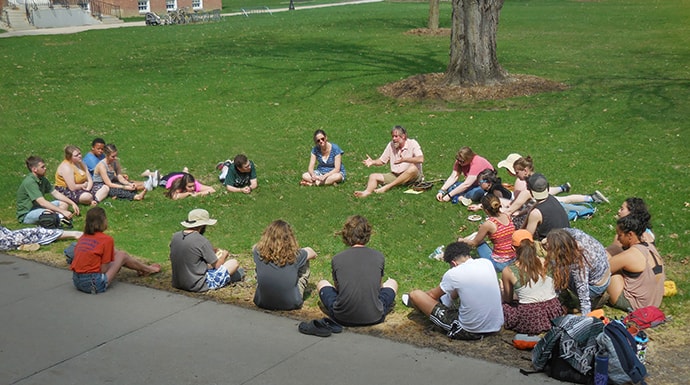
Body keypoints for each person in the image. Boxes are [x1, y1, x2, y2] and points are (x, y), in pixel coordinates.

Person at [405, 241, 503, 340]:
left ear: (453, 263)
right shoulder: (486, 263)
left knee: (415, 295)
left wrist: (418, 300)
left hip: (469, 330)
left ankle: (415, 306)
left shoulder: (453, 273)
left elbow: (432, 295)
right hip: (495, 326)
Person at [316, 215, 398, 325]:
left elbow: (338, 288)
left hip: (342, 317)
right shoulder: (379, 256)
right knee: (392, 282)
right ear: (367, 235)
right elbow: (379, 287)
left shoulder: (337, 258)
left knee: (322, 283)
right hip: (374, 316)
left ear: (346, 235)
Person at [70, 207, 160, 294]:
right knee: (122, 255)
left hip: (77, 282)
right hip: (93, 284)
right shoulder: (107, 240)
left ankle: (142, 268)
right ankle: (148, 269)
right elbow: (103, 270)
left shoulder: (83, 237)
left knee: (117, 253)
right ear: (103, 221)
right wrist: (117, 264)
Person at [501, 230, 563, 335]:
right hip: (553, 311)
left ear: (513, 248)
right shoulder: (546, 261)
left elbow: (508, 299)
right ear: (533, 244)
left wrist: (502, 289)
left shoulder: (509, 270)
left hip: (529, 316)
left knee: (504, 306)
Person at [169, 209, 244, 292]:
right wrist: (224, 255)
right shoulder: (201, 240)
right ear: (202, 225)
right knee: (233, 263)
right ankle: (235, 276)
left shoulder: (176, 236)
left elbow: (190, 253)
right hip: (197, 285)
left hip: (177, 282)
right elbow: (217, 266)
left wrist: (210, 251)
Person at [253, 220, 318, 310]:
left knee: (258, 266)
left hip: (262, 301)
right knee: (305, 260)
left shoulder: (257, 251)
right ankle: (294, 289)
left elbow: (257, 247)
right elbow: (313, 254)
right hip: (291, 303)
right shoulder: (296, 255)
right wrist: (303, 250)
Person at [544, 228, 610, 315]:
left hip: (594, 287)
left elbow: (584, 298)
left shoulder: (578, 263)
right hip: (604, 272)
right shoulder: (574, 234)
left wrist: (585, 320)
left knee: (557, 270)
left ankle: (564, 300)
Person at [606, 215, 665, 312]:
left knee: (607, 260)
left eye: (620, 235)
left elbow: (603, 270)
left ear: (630, 235)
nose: (618, 239)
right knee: (615, 249)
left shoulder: (631, 254)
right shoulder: (649, 246)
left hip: (637, 304)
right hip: (654, 301)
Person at [354, 125, 424, 197]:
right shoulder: (391, 145)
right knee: (373, 176)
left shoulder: (413, 143)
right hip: (395, 175)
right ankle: (366, 192)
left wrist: (404, 160)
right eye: (392, 136)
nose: (394, 139)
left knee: (413, 168)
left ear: (403, 136)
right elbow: (382, 161)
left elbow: (421, 159)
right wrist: (373, 162)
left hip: (412, 177)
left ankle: (388, 187)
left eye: (396, 136)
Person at [459, 194, 516, 272]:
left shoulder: (488, 224)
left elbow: (474, 243)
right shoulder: (507, 216)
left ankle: (458, 251)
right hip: (513, 258)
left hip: (499, 264)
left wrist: (461, 240)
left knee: (478, 240)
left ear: (486, 210)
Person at [17, 156, 80, 225]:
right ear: (34, 169)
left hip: (39, 208)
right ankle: (57, 219)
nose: (45, 168)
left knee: (64, 203)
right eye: (42, 167)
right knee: (48, 212)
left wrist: (72, 203)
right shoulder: (30, 182)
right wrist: (62, 211)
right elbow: (42, 202)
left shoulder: (42, 179)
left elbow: (55, 193)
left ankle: (57, 219)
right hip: (27, 214)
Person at [523, 173, 570, 241]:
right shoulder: (552, 199)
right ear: (547, 187)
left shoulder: (536, 213)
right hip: (566, 241)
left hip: (552, 247)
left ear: (530, 191)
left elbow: (526, 238)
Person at [0, 224, 82, 251]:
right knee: (34, 232)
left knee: (32, 233)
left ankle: (21, 246)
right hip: (4, 239)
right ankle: (74, 234)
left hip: (5, 235)